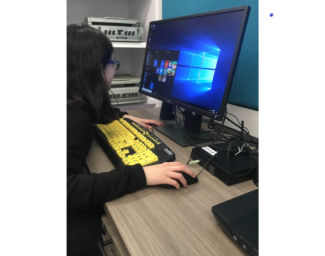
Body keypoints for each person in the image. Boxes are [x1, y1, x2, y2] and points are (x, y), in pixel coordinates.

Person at [66, 23, 195, 255]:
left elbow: (91, 110)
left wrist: (121, 117)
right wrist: (142, 174)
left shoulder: (73, 102)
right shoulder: (74, 119)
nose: (114, 71)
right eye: (112, 64)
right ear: (95, 71)